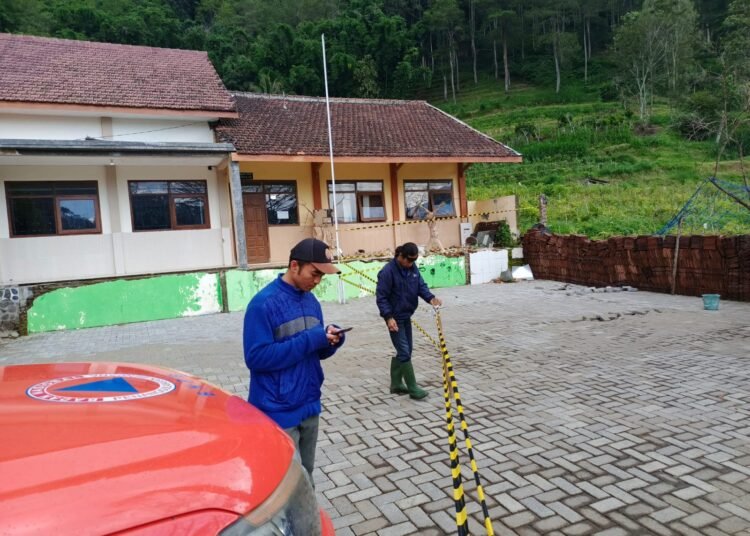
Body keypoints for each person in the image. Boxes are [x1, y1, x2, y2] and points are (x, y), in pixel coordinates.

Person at [243, 238, 346, 480]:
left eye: (322, 276)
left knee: (305, 475)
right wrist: (312, 339)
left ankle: (307, 518)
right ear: (294, 266)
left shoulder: (311, 301)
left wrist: (330, 341)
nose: (318, 281)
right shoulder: (262, 305)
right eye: (315, 273)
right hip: (278, 411)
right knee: (285, 484)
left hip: (309, 405)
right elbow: (256, 358)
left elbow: (315, 351)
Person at [376, 242, 442, 399]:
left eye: (414, 261)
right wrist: (388, 317)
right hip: (394, 318)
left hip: (406, 316)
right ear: (401, 256)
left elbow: (421, 286)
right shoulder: (387, 272)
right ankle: (413, 388)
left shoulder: (412, 269)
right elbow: (382, 297)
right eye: (409, 260)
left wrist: (431, 298)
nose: (412, 264)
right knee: (405, 351)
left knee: (407, 350)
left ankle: (396, 384)